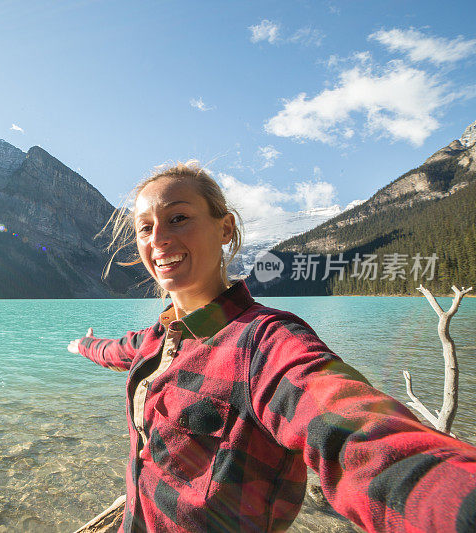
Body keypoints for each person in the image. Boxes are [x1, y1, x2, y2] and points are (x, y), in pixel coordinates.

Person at [67, 161, 476, 532]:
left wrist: (450, 498)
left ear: (225, 229)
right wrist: (83, 344)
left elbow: (353, 431)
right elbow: (118, 351)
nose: (158, 239)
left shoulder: (265, 342)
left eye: (178, 218)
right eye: (144, 227)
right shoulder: (160, 336)